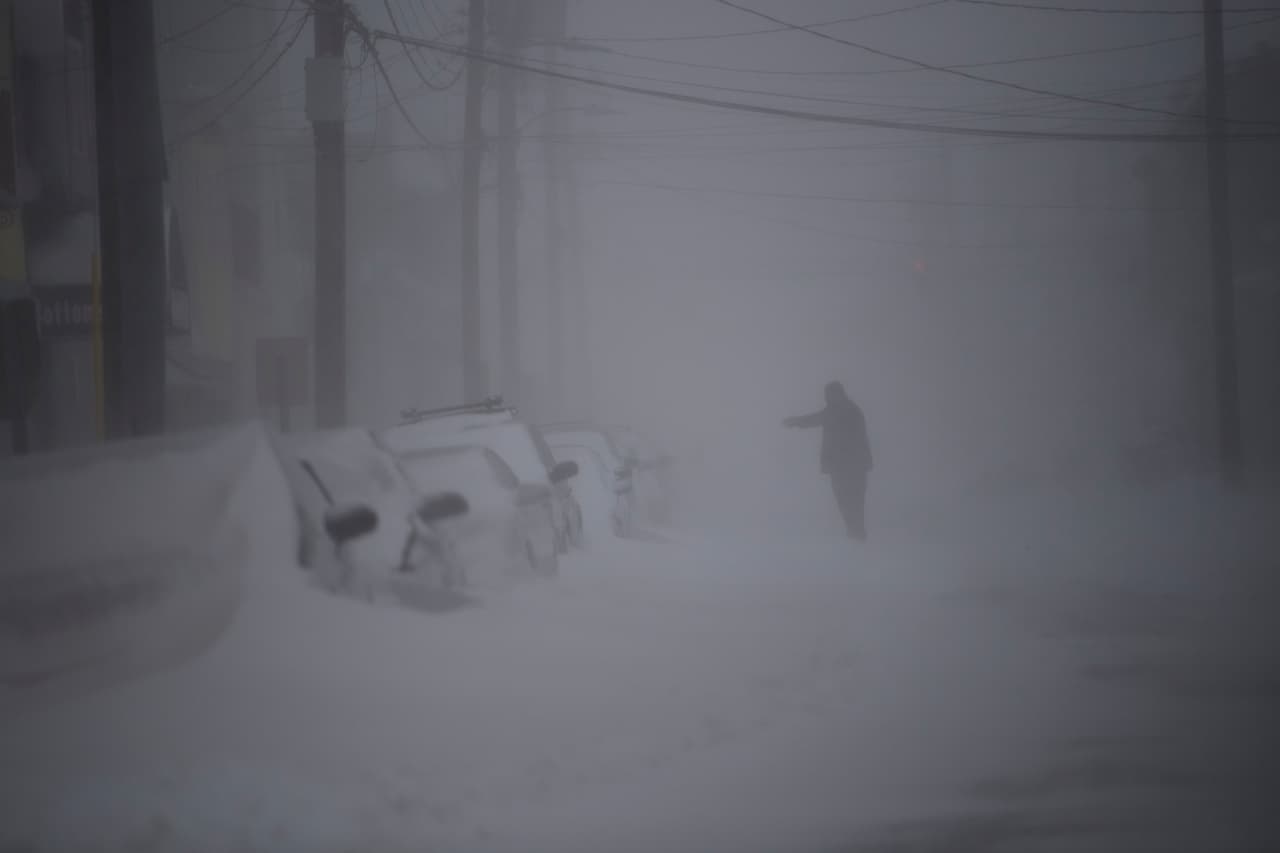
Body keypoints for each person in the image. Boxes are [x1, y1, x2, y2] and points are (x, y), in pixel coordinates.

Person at [783, 381, 872, 541]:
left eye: (830, 394)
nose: (828, 398)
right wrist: (796, 421)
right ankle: (856, 537)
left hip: (849, 467)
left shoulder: (847, 411)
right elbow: (814, 419)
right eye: (827, 395)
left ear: (838, 394)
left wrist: (795, 421)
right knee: (848, 504)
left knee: (851, 503)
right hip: (844, 467)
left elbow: (815, 420)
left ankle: (857, 537)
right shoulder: (840, 410)